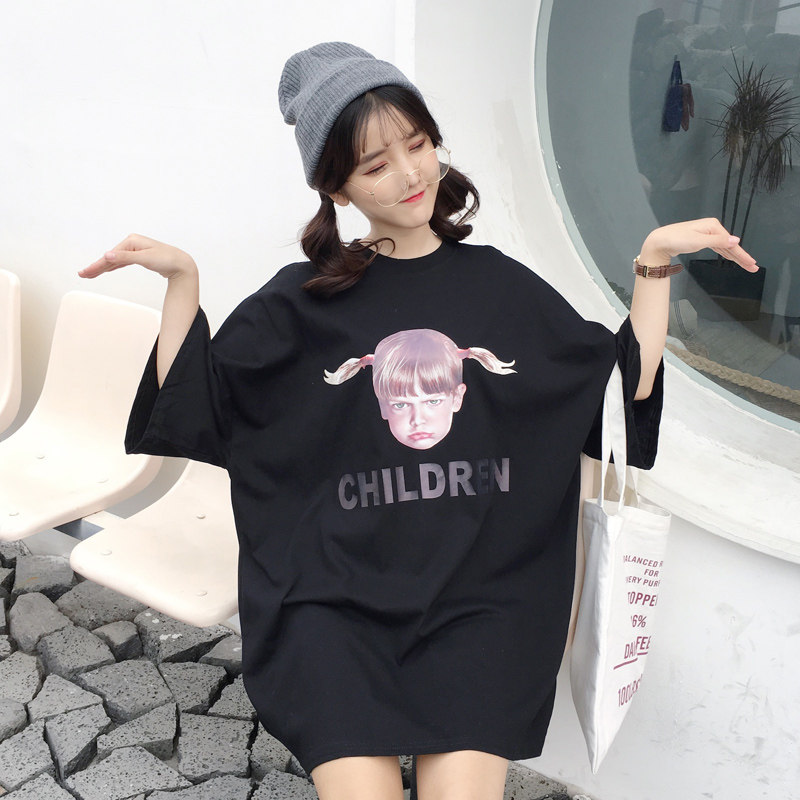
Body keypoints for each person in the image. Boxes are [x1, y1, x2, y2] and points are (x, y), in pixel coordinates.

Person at [79, 42, 758, 800]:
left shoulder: (502, 291)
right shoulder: (299, 304)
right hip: (333, 612)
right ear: (334, 186)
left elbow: (615, 391)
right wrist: (183, 283)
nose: (409, 175)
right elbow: (196, 411)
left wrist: (653, 264)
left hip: (482, 611)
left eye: (419, 144)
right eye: (376, 165)